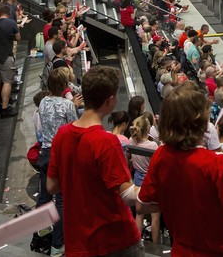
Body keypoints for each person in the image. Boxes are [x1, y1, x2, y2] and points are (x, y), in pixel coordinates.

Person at [136, 82, 223, 256]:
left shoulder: (161, 155)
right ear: (199, 122)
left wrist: (179, 202)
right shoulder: (217, 163)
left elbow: (141, 206)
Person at [46, 66, 143, 257]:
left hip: (78, 241)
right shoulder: (106, 142)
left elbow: (51, 185)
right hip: (114, 241)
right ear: (110, 100)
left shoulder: (62, 134)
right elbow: (129, 195)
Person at [37, 68, 80, 256]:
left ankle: (41, 235)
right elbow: (74, 127)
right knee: (62, 200)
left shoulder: (43, 102)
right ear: (64, 86)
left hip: (45, 152)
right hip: (61, 155)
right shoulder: (67, 105)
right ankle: (57, 245)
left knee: (44, 196)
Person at [128, 114, 160, 244]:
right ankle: (155, 243)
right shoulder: (152, 146)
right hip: (149, 181)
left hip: (137, 179)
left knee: (139, 214)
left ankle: (137, 242)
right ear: (148, 130)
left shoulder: (131, 140)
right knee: (155, 214)